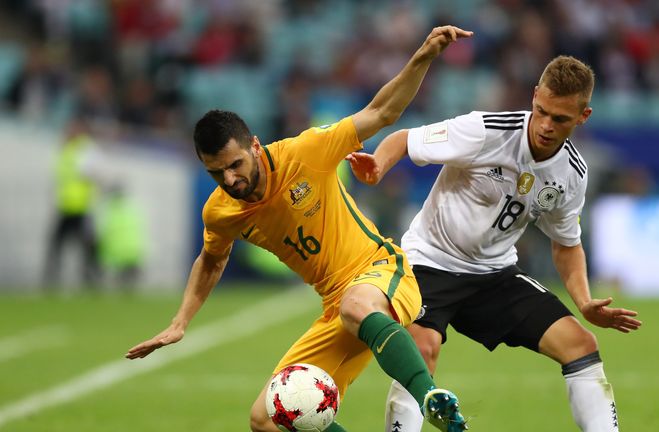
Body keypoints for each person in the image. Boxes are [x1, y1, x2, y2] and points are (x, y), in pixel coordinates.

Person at [125, 26, 473, 432]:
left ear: (254, 146)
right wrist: (180, 322)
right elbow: (211, 260)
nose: (230, 179)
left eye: (235, 164)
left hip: (380, 272)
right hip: (336, 308)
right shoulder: (220, 212)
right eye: (216, 172)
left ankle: (429, 396)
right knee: (267, 419)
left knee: (355, 305)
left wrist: (423, 57)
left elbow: (382, 112)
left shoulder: (305, 153)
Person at [346, 55, 643, 432]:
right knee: (422, 351)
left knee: (581, 344)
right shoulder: (485, 131)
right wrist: (378, 164)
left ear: (583, 116)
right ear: (534, 96)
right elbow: (405, 139)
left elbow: (566, 244)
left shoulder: (572, 174)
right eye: (542, 111)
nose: (547, 126)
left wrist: (584, 301)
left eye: (561, 119)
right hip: (430, 262)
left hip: (494, 274)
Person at [43, 117, 102, 288]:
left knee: (87, 249)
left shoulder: (86, 150)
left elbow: (94, 173)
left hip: (82, 208)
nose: (70, 132)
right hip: (65, 207)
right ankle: (51, 281)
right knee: (56, 246)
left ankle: (91, 282)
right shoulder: (65, 149)